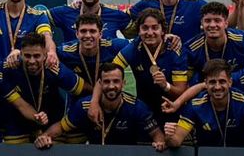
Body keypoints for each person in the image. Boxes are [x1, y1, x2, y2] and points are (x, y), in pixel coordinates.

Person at [35, 63, 165, 149]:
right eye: (106, 82)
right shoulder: (84, 106)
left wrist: (159, 143)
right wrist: (45, 136)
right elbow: (61, 127)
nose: (111, 86)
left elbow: (157, 134)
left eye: (116, 81)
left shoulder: (137, 107)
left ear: (123, 83)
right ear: (100, 83)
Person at [166, 60, 244, 149]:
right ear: (206, 84)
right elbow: (176, 141)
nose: (217, 87)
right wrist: (169, 137)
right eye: (212, 82)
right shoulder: (195, 105)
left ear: (230, 82)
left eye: (222, 81)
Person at [110, 8, 190, 124]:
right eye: (145, 28)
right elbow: (110, 71)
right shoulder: (134, 48)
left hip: (171, 109)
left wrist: (165, 86)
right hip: (144, 111)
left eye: (155, 28)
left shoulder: (174, 50)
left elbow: (181, 92)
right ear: (138, 31)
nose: (150, 32)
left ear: (163, 31)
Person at [1, 33, 84, 144]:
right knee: (14, 152)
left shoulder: (54, 68)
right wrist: (37, 118)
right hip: (19, 121)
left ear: (45, 55)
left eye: (36, 56)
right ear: (20, 54)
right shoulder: (10, 68)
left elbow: (82, 88)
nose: (31, 61)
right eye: (27, 56)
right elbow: (21, 105)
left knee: (55, 149)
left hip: (52, 119)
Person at [183, 1, 244, 79]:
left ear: (226, 23)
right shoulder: (191, 48)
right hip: (206, 92)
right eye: (207, 21)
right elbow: (186, 82)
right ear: (202, 24)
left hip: (240, 91)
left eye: (217, 20)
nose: (212, 25)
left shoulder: (241, 40)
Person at [57, 13, 128, 91]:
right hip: (78, 99)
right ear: (77, 34)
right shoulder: (66, 52)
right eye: (83, 31)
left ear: (100, 34)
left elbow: (135, 45)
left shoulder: (113, 46)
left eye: (92, 31)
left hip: (108, 96)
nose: (88, 35)